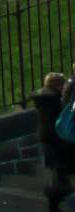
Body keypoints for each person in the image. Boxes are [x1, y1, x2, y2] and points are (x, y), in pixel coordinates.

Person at [32, 73, 72, 212]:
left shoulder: (46, 100)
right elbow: (53, 124)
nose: (65, 87)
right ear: (57, 86)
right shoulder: (52, 101)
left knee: (59, 175)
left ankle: (53, 205)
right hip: (54, 142)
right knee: (60, 176)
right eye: (63, 84)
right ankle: (54, 203)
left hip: (49, 141)